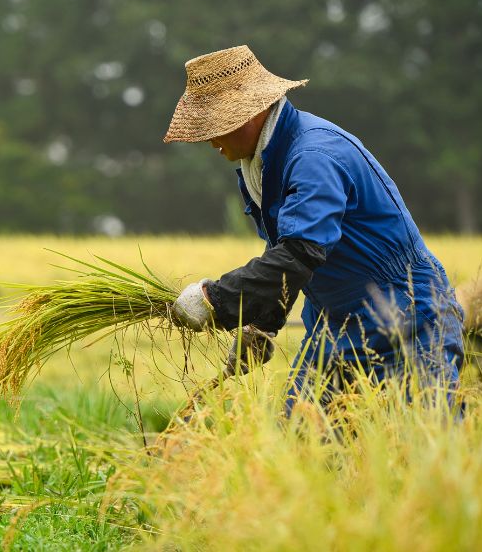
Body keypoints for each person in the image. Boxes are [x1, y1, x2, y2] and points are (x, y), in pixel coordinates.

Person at [164, 45, 464, 414]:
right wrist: (261, 325)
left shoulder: (312, 157)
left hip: (406, 318)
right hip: (333, 324)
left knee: (421, 449)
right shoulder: (259, 166)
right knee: (304, 450)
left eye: (216, 127)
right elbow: (288, 256)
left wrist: (217, 299)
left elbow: (301, 251)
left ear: (252, 113)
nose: (211, 141)